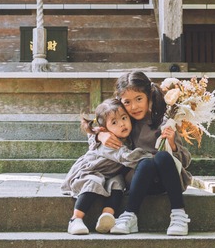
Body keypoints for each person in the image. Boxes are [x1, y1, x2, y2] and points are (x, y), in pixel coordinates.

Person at [98, 70, 193, 236]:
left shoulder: (163, 121)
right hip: (137, 181)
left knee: (162, 157)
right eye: (127, 102)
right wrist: (101, 134)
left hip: (165, 180)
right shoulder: (120, 122)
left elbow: (185, 161)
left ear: (149, 96)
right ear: (120, 101)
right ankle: (130, 214)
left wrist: (172, 144)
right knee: (146, 163)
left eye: (139, 99)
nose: (133, 107)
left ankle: (178, 213)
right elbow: (94, 129)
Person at [61, 98, 151, 235]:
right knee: (93, 182)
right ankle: (76, 219)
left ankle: (107, 215)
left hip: (110, 174)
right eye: (114, 122)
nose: (122, 124)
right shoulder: (110, 142)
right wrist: (151, 158)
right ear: (105, 129)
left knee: (118, 183)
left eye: (124, 118)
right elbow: (126, 157)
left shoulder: (126, 137)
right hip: (91, 171)